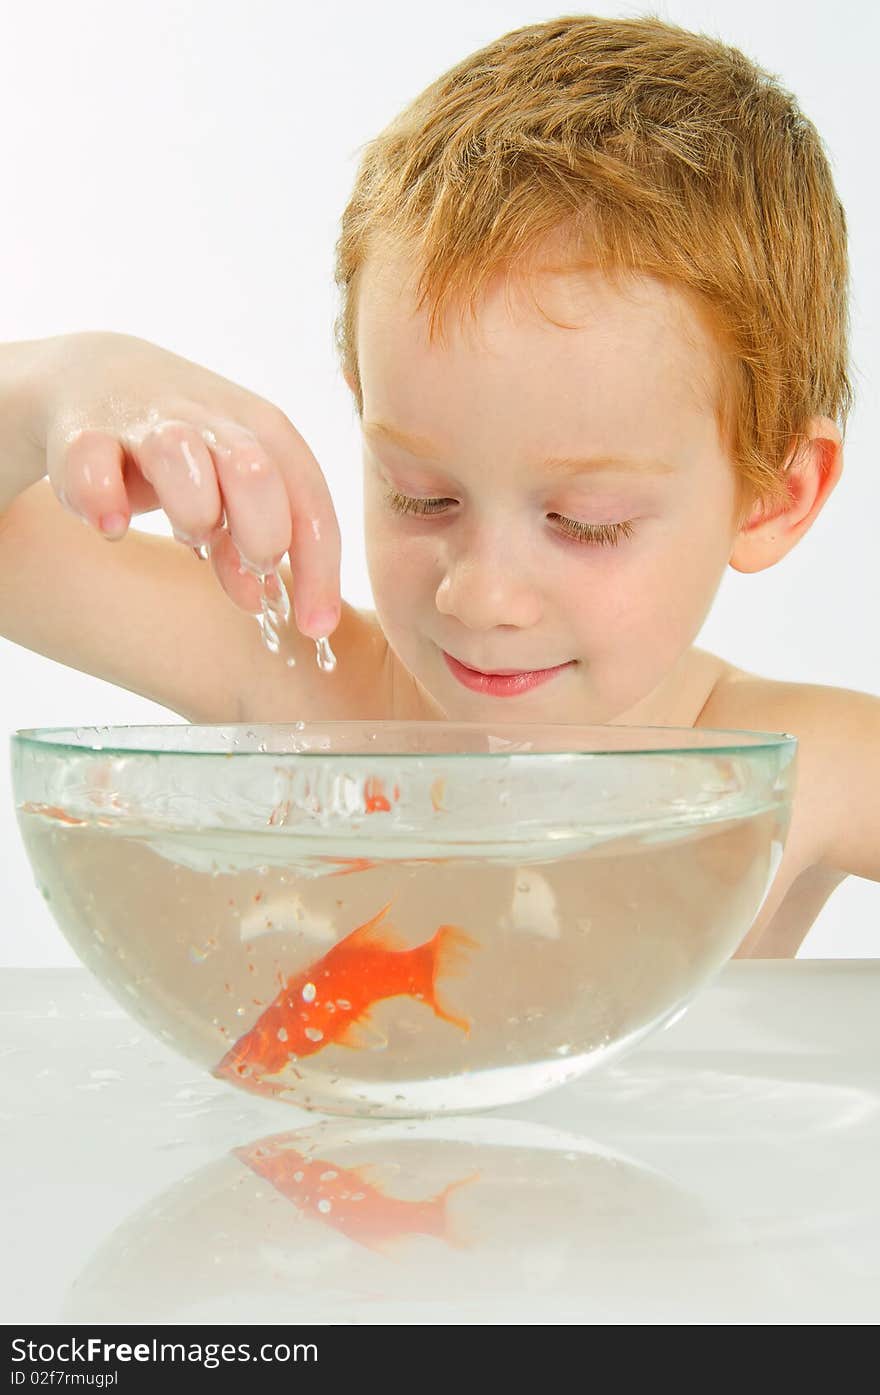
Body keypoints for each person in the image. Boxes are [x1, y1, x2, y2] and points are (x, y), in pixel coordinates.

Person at [0, 14, 876, 957]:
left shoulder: (810, 763)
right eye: (422, 494)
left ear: (774, 495)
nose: (479, 595)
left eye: (586, 521)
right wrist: (57, 381)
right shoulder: (309, 687)